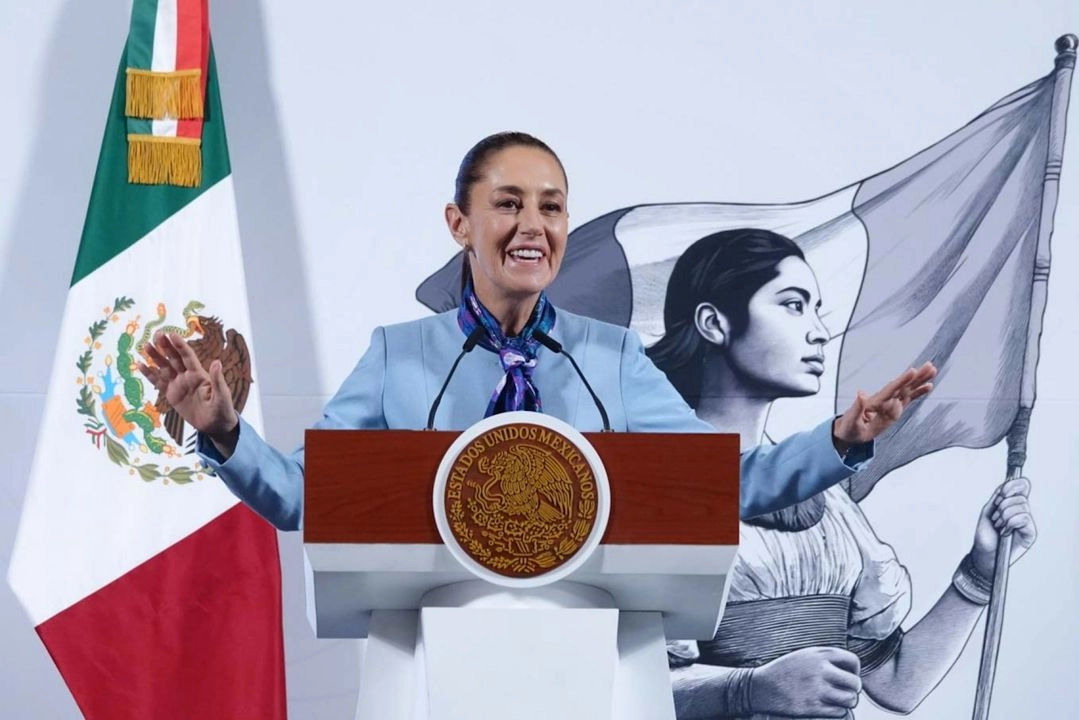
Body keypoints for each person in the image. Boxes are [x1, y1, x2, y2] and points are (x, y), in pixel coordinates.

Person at [138, 132, 934, 532]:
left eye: (550, 206)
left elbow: (721, 485)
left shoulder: (612, 359)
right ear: (460, 224)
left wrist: (840, 438)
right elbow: (306, 497)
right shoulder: (398, 357)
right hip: (436, 651)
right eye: (509, 203)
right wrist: (225, 434)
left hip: (590, 655)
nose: (533, 226)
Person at [651, 228, 1036, 720]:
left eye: (817, 309)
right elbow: (625, 683)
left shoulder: (829, 502)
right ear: (713, 322)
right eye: (793, 305)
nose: (818, 330)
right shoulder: (654, 487)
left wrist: (981, 570)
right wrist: (748, 689)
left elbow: (897, 683)